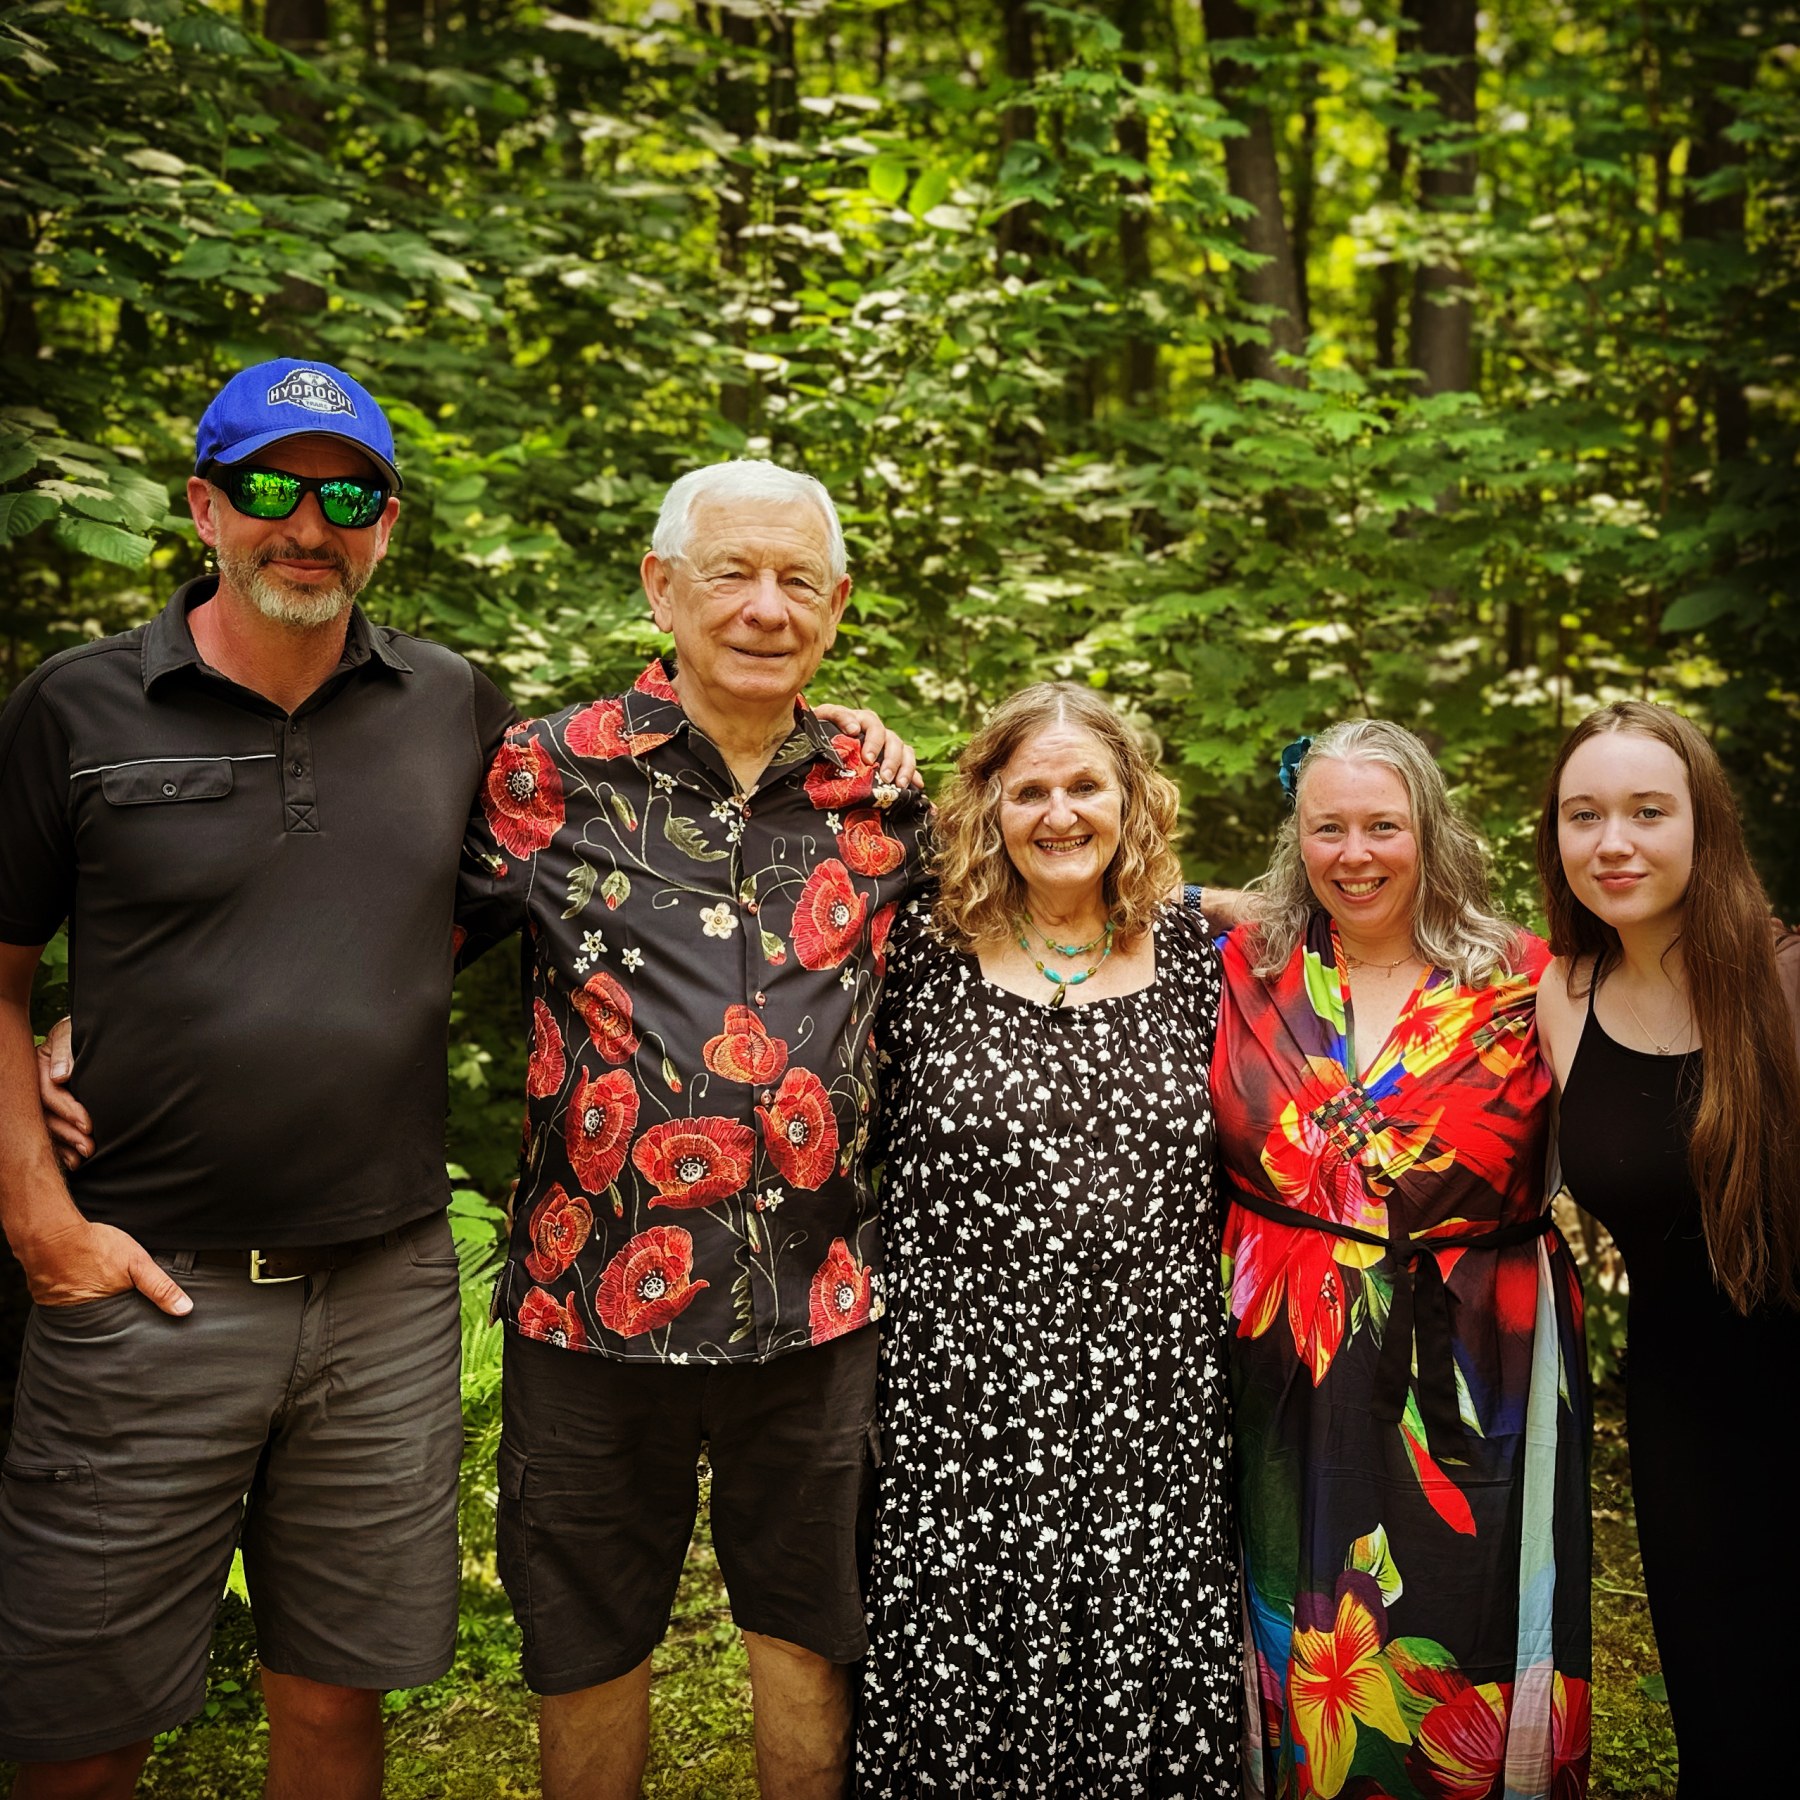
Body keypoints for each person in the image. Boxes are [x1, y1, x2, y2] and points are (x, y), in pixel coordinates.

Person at [0, 359, 515, 1799]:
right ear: (204, 507)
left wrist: (843, 737)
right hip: (144, 1284)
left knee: (338, 1703)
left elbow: (524, 886)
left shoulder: (453, 703)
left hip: (386, 1286)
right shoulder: (77, 708)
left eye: (346, 498)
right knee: (78, 1729)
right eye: (272, 488)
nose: (308, 525)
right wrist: (41, 1225)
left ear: (386, 524)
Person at [451, 460, 931, 1800]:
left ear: (837, 606)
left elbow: (1051, 920)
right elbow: (376, 944)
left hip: (816, 1307)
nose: (765, 607)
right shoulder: (545, 773)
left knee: (811, 1634)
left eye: (797, 581)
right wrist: (111, 1021)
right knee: (586, 1643)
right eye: (731, 573)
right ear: (661, 588)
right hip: (589, 1301)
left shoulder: (883, 796)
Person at [853, 683, 1243, 1795]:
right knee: (968, 1663)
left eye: (1086, 787)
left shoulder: (1198, 953)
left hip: (1153, 1392)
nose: (1060, 814)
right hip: (962, 1394)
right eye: (1030, 791)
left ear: (1132, 801)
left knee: (1139, 1654)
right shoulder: (918, 949)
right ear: (988, 805)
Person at [1213, 720, 1591, 1800]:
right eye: (1326, 828)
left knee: (1461, 1628)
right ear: (1295, 838)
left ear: (1431, 827)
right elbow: (1106, 885)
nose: (1354, 854)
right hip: (1285, 1364)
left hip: (1475, 1371)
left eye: (1383, 826)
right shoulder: (1248, 965)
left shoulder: (1527, 978)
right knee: (1301, 1627)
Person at [1533, 700, 1800, 1797]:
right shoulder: (1564, 996)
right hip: (1679, 1411)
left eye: (1649, 811)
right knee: (1726, 1720)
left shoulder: (1788, 982)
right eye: (1583, 815)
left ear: (1705, 824)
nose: (1614, 842)